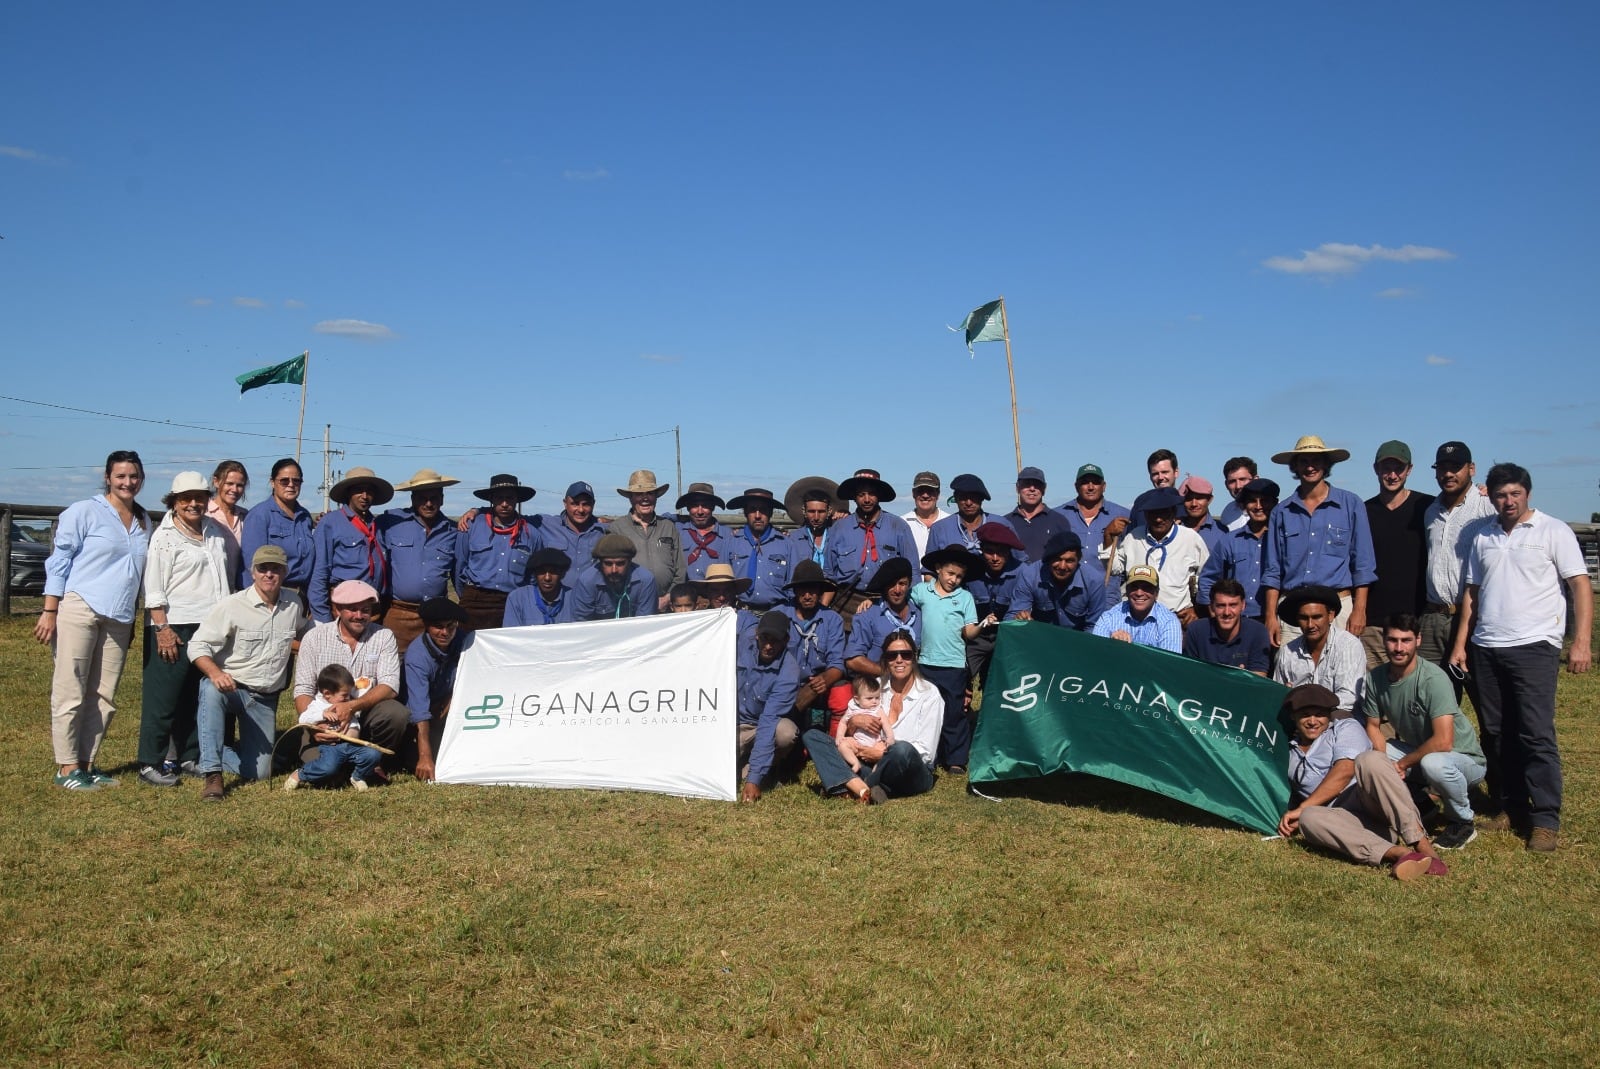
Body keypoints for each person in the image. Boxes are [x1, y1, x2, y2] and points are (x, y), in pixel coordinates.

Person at [1450, 462, 1592, 853]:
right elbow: (1472, 596)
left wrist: (1580, 642)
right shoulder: (1483, 536)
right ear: (1491, 497)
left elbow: (1579, 585)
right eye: (1500, 495)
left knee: (1535, 732)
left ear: (1527, 493)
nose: (1508, 501)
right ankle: (1510, 806)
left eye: (1515, 493)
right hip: (1486, 646)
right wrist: (1462, 643)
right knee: (1495, 733)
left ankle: (1545, 819)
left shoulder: (1553, 531)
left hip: (1534, 646)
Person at [37, 450, 153, 790]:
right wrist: (50, 609)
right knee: (71, 688)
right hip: (80, 607)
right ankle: (66, 767)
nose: (127, 482)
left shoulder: (144, 520)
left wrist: (134, 618)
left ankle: (87, 764)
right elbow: (59, 561)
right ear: (107, 478)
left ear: (141, 479)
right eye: (120, 476)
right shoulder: (84, 511)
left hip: (119, 616)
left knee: (103, 694)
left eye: (133, 476)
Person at [1279, 684, 1445, 881]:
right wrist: (1299, 814)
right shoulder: (1289, 753)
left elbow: (1345, 771)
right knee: (1309, 818)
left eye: (1319, 714)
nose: (1313, 721)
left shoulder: (1345, 728)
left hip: (1372, 801)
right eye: (1305, 715)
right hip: (1341, 818)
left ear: (1329, 715)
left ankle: (1421, 844)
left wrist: (1303, 806)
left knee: (1370, 760)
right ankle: (1399, 854)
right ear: (1293, 717)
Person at [188, 545, 310, 801]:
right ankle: (213, 774)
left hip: (264, 698)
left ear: (284, 573)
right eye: (262, 569)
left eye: (275, 569)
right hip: (231, 687)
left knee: (261, 773)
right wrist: (214, 673)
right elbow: (198, 645)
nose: (269, 574)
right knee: (209, 690)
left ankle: (213, 750)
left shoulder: (293, 603)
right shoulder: (232, 605)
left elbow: (303, 635)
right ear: (252, 572)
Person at [137, 471, 233, 788]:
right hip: (173, 624)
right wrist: (162, 627)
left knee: (195, 694)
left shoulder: (215, 531)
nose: (194, 503)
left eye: (200, 497)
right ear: (174, 502)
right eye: (186, 498)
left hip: (209, 625)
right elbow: (153, 587)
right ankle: (150, 761)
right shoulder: (164, 538)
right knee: (163, 698)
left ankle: (190, 755)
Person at [1361, 614, 1487, 850]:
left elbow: (1444, 741)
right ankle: (1422, 805)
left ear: (1418, 640)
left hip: (1464, 759)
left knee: (1434, 763)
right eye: (1393, 640)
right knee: (1369, 755)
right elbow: (1372, 726)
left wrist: (1402, 765)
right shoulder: (1376, 678)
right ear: (1384, 641)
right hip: (1422, 754)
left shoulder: (1433, 678)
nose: (1399, 648)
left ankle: (1462, 822)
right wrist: (1383, 763)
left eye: (1406, 640)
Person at [1261, 435, 1377, 647]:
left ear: (1326, 464)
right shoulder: (1282, 512)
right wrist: (1270, 616)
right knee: (1291, 675)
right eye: (1303, 461)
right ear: (1294, 466)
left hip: (1338, 608)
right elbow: (1272, 570)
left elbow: (1363, 563)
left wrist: (1359, 610)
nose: (1310, 467)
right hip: (1292, 608)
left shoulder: (1350, 504)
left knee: (1342, 673)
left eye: (1316, 460)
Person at [803, 629, 942, 804]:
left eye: (905, 655)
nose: (899, 660)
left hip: (910, 772)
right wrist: (854, 722)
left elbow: (926, 753)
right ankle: (865, 789)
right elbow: (850, 725)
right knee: (813, 736)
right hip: (869, 763)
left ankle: (851, 785)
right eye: (892, 656)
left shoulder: (929, 694)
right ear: (885, 660)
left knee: (902, 749)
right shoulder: (874, 687)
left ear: (914, 658)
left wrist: (883, 754)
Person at [293, 579, 410, 786]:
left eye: (365, 610)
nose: (359, 615)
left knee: (396, 713)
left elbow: (390, 686)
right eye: (352, 610)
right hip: (324, 722)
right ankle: (348, 764)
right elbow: (303, 690)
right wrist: (314, 727)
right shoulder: (314, 637)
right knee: (328, 777)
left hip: (366, 716)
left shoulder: (383, 636)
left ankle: (373, 762)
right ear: (337, 609)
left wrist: (351, 706)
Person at [1421, 441, 1494, 689]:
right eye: (1442, 468)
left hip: (1473, 615)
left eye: (1456, 467)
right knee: (1431, 699)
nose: (1448, 474)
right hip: (1434, 616)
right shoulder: (1431, 511)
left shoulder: (1488, 505)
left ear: (1471, 469)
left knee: (1483, 696)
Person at [1362, 441, 1434, 669]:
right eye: (1386, 468)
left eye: (1399, 469)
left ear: (1409, 470)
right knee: (1375, 694)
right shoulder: (1363, 511)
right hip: (1373, 624)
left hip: (1417, 620)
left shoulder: (1428, 507)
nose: (1392, 475)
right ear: (1376, 469)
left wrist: (1481, 493)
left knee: (1415, 695)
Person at [911, 546, 982, 773]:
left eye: (959, 576)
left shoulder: (965, 598)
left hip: (953, 664)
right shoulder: (922, 591)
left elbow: (968, 632)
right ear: (938, 569)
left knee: (954, 713)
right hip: (926, 662)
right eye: (950, 573)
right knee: (926, 711)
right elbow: (903, 606)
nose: (954, 580)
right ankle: (926, 755)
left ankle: (955, 759)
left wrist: (981, 627)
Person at [379, 468, 461, 653]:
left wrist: (475, 510)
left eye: (434, 498)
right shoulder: (390, 523)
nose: (429, 504)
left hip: (436, 617)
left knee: (435, 667)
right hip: (399, 613)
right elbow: (362, 526)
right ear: (413, 499)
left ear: (442, 499)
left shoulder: (453, 531)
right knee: (394, 667)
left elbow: (459, 573)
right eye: (423, 498)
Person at [1106, 487, 1209, 623]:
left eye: (1164, 513)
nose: (1158, 519)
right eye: (1153, 514)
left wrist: (1197, 609)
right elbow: (1113, 569)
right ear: (1146, 515)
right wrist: (1108, 536)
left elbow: (1207, 578)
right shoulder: (1134, 537)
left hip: (1177, 618)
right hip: (1136, 619)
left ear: (1173, 513)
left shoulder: (1191, 539)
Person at [826, 468, 919, 614]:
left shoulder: (898, 526)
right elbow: (829, 573)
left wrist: (905, 607)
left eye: (872, 494)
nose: (867, 499)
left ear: (879, 495)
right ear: (854, 497)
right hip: (845, 604)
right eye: (861, 494)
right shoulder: (839, 529)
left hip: (886, 603)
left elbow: (913, 572)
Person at [308, 466, 394, 624]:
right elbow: (320, 572)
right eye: (359, 490)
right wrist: (323, 618)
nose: (365, 496)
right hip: (343, 608)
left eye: (369, 491)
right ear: (348, 492)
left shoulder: (379, 526)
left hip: (373, 608)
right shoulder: (330, 523)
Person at [455, 473, 541, 630]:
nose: (505, 504)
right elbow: (459, 566)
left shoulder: (531, 534)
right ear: (491, 500)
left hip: (511, 602)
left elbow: (533, 577)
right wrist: (467, 596)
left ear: (517, 500)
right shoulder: (471, 526)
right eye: (499, 498)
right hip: (474, 601)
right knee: (468, 651)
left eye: (510, 498)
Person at [736, 610, 802, 803]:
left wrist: (753, 779)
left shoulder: (789, 672)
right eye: (764, 638)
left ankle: (758, 769)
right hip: (731, 723)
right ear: (756, 634)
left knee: (786, 733)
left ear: (786, 640)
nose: (768, 646)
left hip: (761, 725)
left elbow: (768, 721)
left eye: (775, 640)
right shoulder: (742, 643)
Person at [402, 596, 470, 782]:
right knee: (421, 759)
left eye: (451, 626)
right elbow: (419, 709)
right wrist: (425, 756)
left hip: (449, 707)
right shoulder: (417, 656)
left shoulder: (465, 641)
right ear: (426, 626)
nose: (445, 632)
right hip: (418, 715)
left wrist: (450, 702)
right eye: (438, 626)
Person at [284, 664, 382, 791]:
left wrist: (353, 732)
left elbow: (354, 723)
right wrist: (322, 714)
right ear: (327, 694)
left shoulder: (345, 704)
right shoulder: (317, 705)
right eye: (344, 695)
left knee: (373, 755)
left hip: (351, 746)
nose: (348, 698)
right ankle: (301, 774)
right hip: (331, 747)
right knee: (328, 768)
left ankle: (358, 776)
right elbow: (303, 719)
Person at [1270, 585, 1367, 712]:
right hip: (1298, 721)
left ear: (1330, 615)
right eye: (1304, 618)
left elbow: (1348, 699)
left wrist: (1304, 704)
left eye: (1317, 617)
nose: (1310, 625)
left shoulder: (1349, 645)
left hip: (1340, 720)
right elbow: (1278, 695)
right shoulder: (1287, 652)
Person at [1197, 477, 1278, 622]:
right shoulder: (1230, 541)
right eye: (1252, 501)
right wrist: (1214, 612)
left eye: (1264, 500)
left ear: (1274, 503)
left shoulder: (1281, 539)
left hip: (1273, 619)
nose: (1258, 506)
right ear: (1245, 505)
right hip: (1237, 620)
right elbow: (1208, 577)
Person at [777, 560, 847, 720]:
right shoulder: (779, 615)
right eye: (802, 590)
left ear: (820, 591)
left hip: (817, 687)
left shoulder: (833, 620)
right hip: (784, 684)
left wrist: (824, 679)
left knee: (840, 690)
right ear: (795, 591)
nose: (807, 596)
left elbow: (837, 664)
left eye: (812, 590)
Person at [239, 457, 315, 598]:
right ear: (273, 482)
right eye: (284, 481)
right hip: (271, 595)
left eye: (296, 481)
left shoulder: (305, 516)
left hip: (303, 597)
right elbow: (252, 564)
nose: (291, 485)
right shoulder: (260, 515)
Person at [614, 470, 682, 611]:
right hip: (630, 607)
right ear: (631, 498)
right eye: (639, 494)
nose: (645, 499)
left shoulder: (668, 527)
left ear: (656, 497)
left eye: (650, 493)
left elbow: (680, 569)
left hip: (667, 606)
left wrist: (668, 598)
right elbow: (611, 572)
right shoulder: (617, 529)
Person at [845, 557, 922, 679]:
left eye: (902, 584)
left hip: (912, 686)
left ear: (910, 583)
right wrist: (888, 673)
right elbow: (853, 660)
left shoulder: (919, 614)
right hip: (876, 687)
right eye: (892, 584)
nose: (897, 590)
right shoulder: (867, 614)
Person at [1182, 578, 1270, 674]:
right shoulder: (1196, 631)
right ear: (1211, 607)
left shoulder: (1258, 632)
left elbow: (1258, 679)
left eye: (1233, 605)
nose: (1227, 612)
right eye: (1221, 606)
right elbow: (1190, 674)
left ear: (1243, 605)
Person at [1025, 530, 1109, 632]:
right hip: (1039, 637)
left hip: (1078, 641)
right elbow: (1015, 615)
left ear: (1079, 559)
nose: (1062, 566)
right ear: (1048, 559)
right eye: (1057, 559)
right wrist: (1021, 619)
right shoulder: (1030, 574)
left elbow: (1095, 626)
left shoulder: (1094, 581)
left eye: (1069, 561)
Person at [725, 487, 792, 611]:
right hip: (740, 612)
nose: (757, 516)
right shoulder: (731, 543)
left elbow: (792, 586)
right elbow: (723, 583)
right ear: (745, 512)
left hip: (777, 613)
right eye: (752, 510)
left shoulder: (786, 544)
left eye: (763, 510)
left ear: (771, 513)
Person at [1091, 564, 1182, 652]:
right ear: (1127, 591)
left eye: (1146, 588)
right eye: (1134, 587)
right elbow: (1096, 654)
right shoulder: (1109, 618)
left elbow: (1169, 665)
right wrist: (1111, 645)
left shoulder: (1169, 622)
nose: (1139, 593)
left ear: (1156, 593)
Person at [570, 533, 659, 620]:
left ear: (630, 561)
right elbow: (581, 622)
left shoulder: (645, 580)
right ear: (600, 562)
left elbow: (645, 622)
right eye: (608, 563)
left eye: (620, 563)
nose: (614, 570)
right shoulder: (586, 581)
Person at [1057, 463, 1130, 563]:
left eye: (1096, 482)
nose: (1090, 487)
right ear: (1076, 486)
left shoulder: (1123, 515)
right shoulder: (1058, 516)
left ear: (1104, 486)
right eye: (1085, 482)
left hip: (1107, 578)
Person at [541, 481, 608, 580]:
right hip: (558, 595)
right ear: (565, 503)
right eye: (575, 503)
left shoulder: (604, 531)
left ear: (593, 504)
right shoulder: (546, 524)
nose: (580, 510)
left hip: (591, 595)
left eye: (586, 504)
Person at [926, 474, 1001, 558]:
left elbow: (1017, 563)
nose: (968, 503)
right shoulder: (940, 528)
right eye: (963, 497)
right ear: (956, 499)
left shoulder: (1001, 524)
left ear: (982, 498)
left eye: (973, 497)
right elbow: (929, 568)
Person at [1005, 466, 1072, 563]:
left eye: (1037, 485)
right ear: (1017, 488)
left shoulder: (1059, 521)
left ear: (1044, 489)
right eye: (1027, 484)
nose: (1032, 489)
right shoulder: (1005, 523)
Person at [676, 482, 735, 583]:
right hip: (685, 595)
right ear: (688, 508)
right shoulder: (677, 531)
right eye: (694, 506)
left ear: (713, 507)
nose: (700, 512)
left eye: (705, 506)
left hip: (716, 595)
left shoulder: (728, 535)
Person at [503, 548, 575, 626]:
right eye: (542, 571)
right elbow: (511, 634)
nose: (547, 578)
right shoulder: (517, 598)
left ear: (562, 574)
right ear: (535, 574)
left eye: (553, 572)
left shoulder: (574, 598)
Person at [835, 675, 890, 774]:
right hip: (857, 742)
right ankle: (855, 762)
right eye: (869, 698)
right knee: (842, 745)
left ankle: (876, 771)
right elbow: (843, 722)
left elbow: (886, 724)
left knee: (883, 751)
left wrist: (890, 738)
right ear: (857, 699)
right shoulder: (852, 708)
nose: (874, 701)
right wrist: (840, 736)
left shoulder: (878, 709)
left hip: (875, 742)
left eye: (877, 698)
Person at [206, 459, 249, 577]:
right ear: (216, 482)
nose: (234, 489)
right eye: (229, 483)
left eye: (239, 485)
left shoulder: (246, 517)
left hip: (238, 590)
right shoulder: (204, 514)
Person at [900, 471, 947, 560]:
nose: (925, 495)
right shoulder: (901, 523)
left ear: (938, 494)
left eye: (930, 491)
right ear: (913, 493)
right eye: (920, 491)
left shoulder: (949, 522)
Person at [1177, 475, 1226, 556]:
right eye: (1188, 499)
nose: (1194, 504)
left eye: (1199, 498)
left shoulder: (1222, 532)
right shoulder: (1174, 530)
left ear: (1209, 499)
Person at [1217, 456, 1258, 531]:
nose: (1238, 486)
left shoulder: (1273, 509)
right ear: (1226, 485)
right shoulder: (1228, 512)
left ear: (1256, 480)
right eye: (1232, 481)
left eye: (1242, 479)